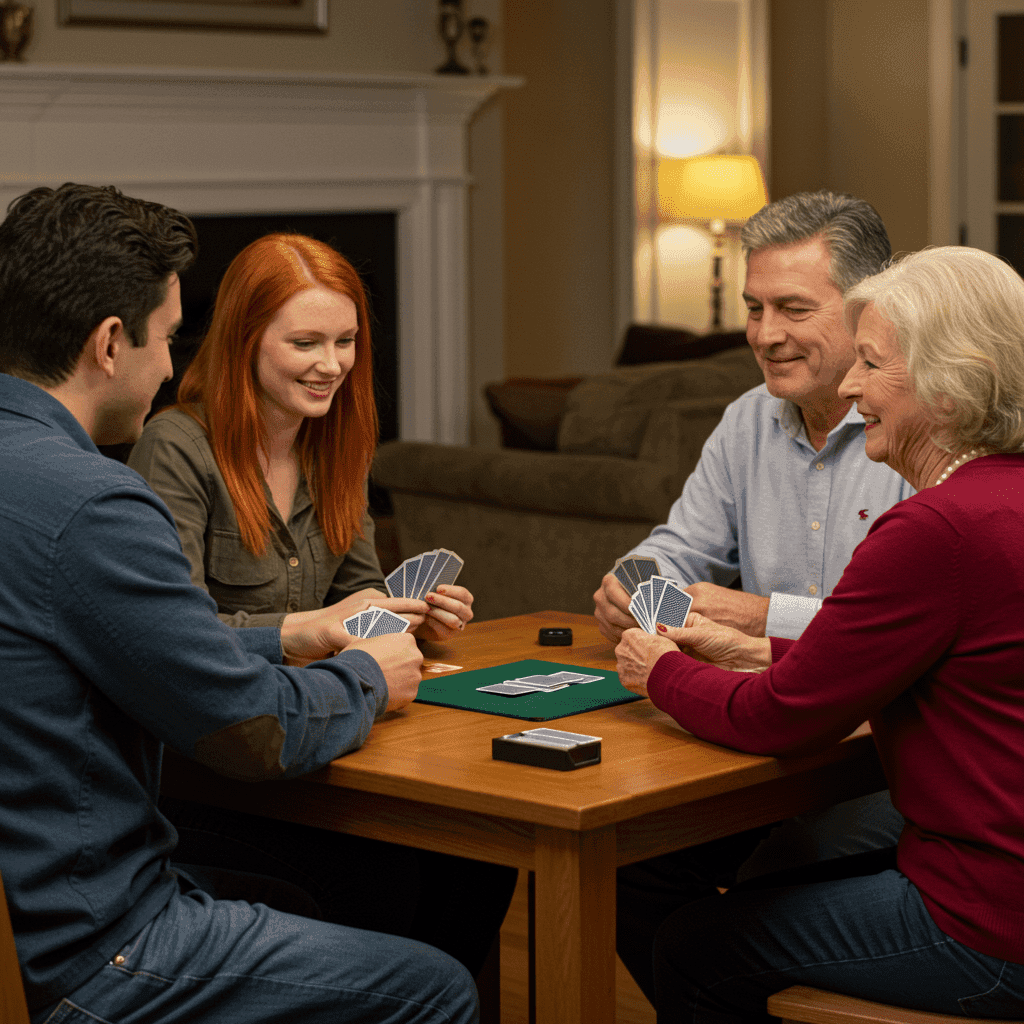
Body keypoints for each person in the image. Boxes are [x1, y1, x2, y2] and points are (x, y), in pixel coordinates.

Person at [0, 182, 477, 1024]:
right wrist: (365, 672)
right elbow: (252, 729)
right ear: (111, 343)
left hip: (42, 903)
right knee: (437, 988)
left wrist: (302, 640)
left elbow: (150, 644)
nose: (171, 363)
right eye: (169, 337)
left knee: (384, 883)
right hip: (97, 938)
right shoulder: (94, 501)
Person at [615, 245, 1024, 1019]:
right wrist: (751, 650)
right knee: (750, 892)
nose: (850, 386)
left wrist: (657, 669)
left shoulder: (935, 527)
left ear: (948, 378)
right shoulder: (1002, 497)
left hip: (988, 925)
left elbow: (780, 719)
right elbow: (924, 655)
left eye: (870, 363)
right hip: (991, 876)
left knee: (694, 945)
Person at [126, 231, 516, 979]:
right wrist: (308, 628)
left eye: (345, 341)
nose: (332, 364)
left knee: (481, 858)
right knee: (388, 877)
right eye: (306, 341)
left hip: (330, 741)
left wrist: (412, 616)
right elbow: (171, 641)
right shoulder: (175, 446)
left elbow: (356, 600)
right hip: (218, 768)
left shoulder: (337, 439)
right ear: (244, 339)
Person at [605, 191, 913, 1001]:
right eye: (753, 308)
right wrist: (636, 584)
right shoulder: (748, 419)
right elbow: (676, 549)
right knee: (627, 868)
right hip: (772, 731)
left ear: (866, 306)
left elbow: (891, 634)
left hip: (881, 751)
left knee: (759, 890)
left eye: (792, 308)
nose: (765, 334)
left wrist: (748, 613)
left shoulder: (913, 428)